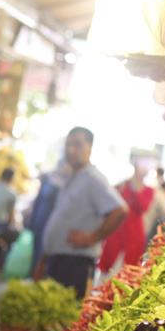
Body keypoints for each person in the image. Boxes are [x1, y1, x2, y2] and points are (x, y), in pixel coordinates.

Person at [35, 127, 127, 298]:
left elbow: (120, 210)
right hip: (57, 261)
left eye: (77, 145)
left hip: (76, 265)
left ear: (90, 148)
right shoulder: (71, 177)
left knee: (65, 320)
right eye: (68, 144)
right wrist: (43, 261)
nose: (71, 150)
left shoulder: (93, 178)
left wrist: (91, 238)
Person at [98, 162, 154, 274]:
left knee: (128, 269)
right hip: (118, 229)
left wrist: (135, 188)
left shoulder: (149, 190)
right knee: (108, 267)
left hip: (134, 233)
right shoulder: (123, 185)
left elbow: (142, 207)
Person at [24, 160, 72, 267]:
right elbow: (38, 201)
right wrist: (32, 221)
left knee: (47, 254)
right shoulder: (48, 179)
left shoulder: (68, 185)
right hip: (40, 221)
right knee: (37, 251)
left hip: (54, 226)